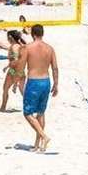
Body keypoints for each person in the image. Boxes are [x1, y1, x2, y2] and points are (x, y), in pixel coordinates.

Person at [19, 24, 58, 153]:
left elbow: (21, 67)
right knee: (41, 112)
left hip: (34, 81)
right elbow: (55, 68)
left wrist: (17, 82)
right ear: (42, 33)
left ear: (33, 34)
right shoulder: (50, 49)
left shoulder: (28, 48)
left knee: (28, 113)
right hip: (46, 81)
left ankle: (44, 136)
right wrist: (56, 84)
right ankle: (38, 145)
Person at [0, 30, 27, 113]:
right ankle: (30, 106)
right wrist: (7, 66)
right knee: (22, 91)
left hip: (14, 71)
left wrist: (10, 67)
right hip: (21, 71)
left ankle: (3, 107)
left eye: (8, 37)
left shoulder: (14, 46)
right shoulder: (20, 46)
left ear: (10, 37)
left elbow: (16, 59)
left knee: (5, 88)